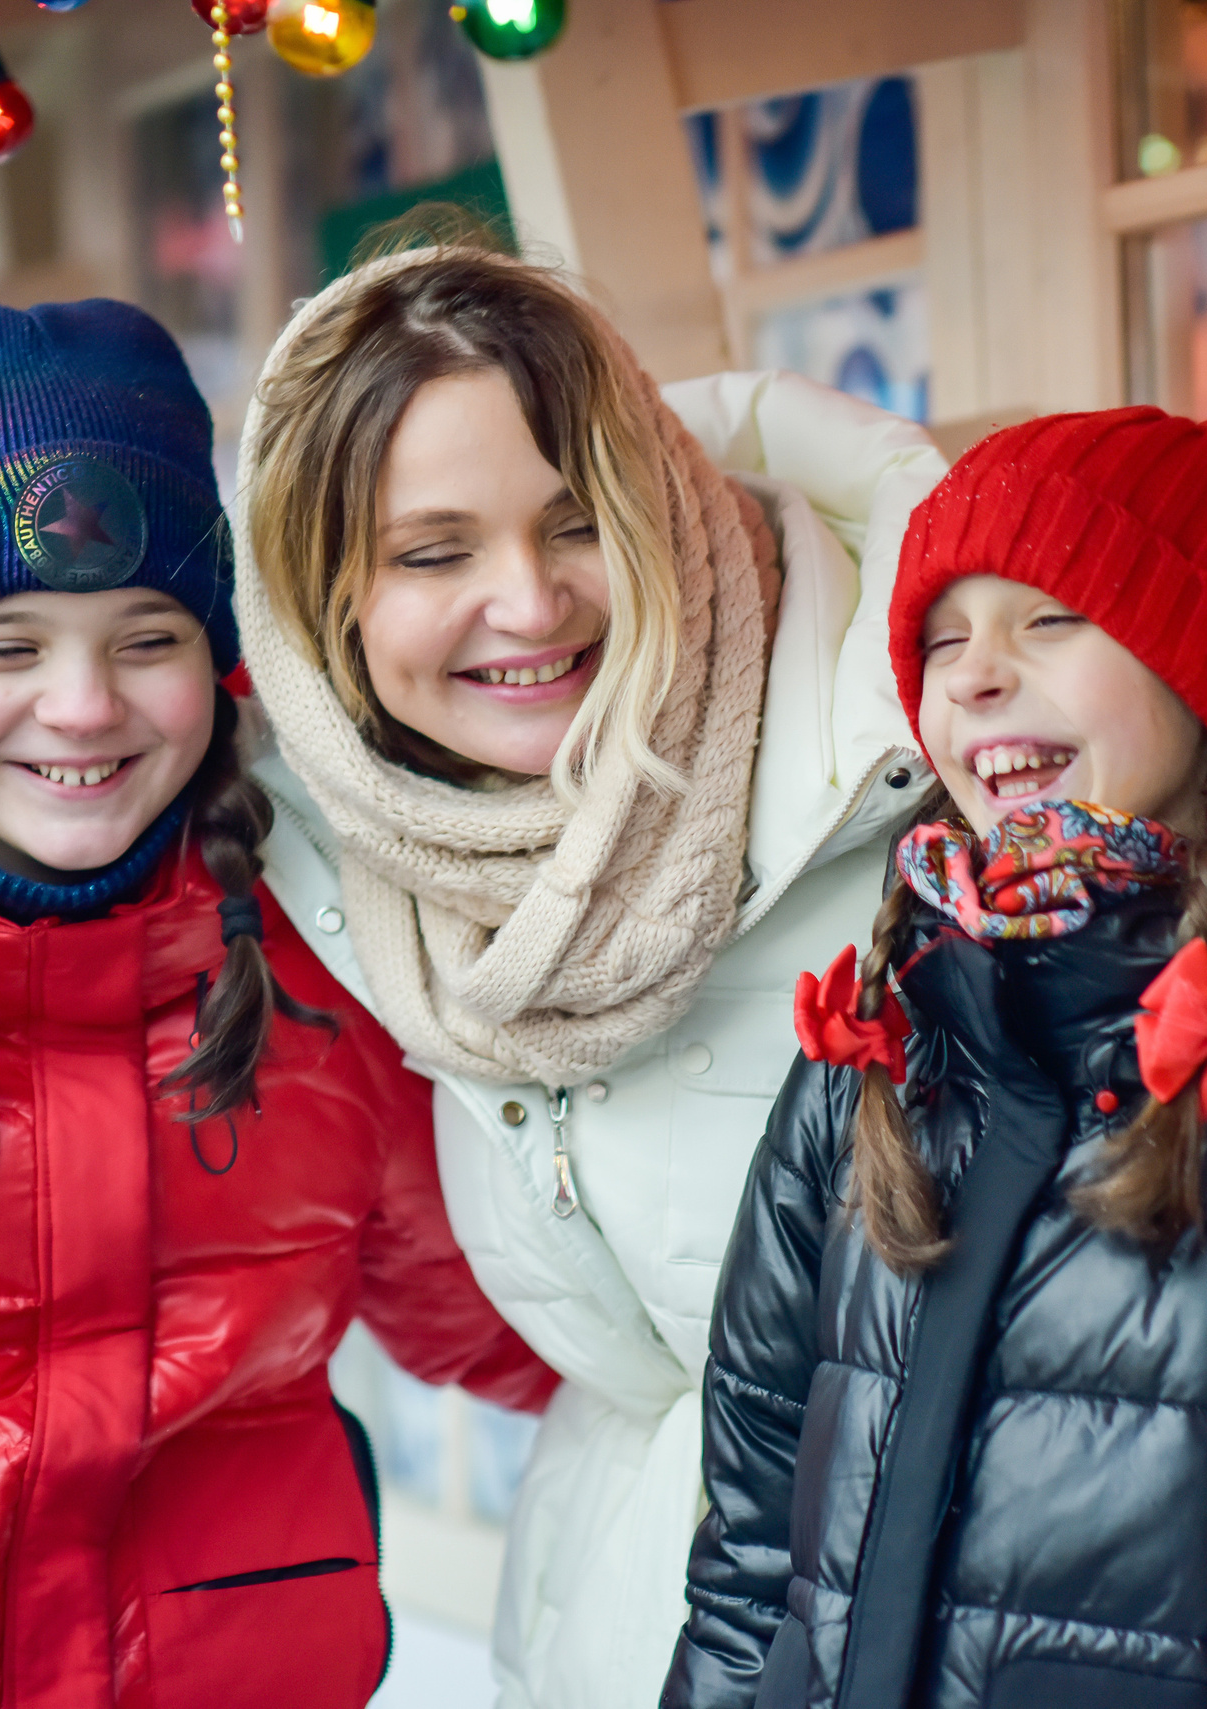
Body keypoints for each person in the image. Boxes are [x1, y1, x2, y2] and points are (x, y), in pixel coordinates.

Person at [0, 300, 556, 1709]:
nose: (81, 707)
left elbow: (502, 1320)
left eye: (147, 638)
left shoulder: (322, 965)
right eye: (5, 648)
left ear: (218, 662)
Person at [666, 407, 1207, 1709]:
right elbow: (744, 1578)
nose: (974, 674)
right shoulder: (868, 1069)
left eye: (1050, 618)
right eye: (945, 636)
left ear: (1206, 679)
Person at [231, 235, 945, 1708]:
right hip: (609, 1611)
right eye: (434, 552)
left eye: (578, 523)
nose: (534, 601)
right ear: (328, 606)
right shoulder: (369, 866)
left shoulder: (905, 766)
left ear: (661, 502)